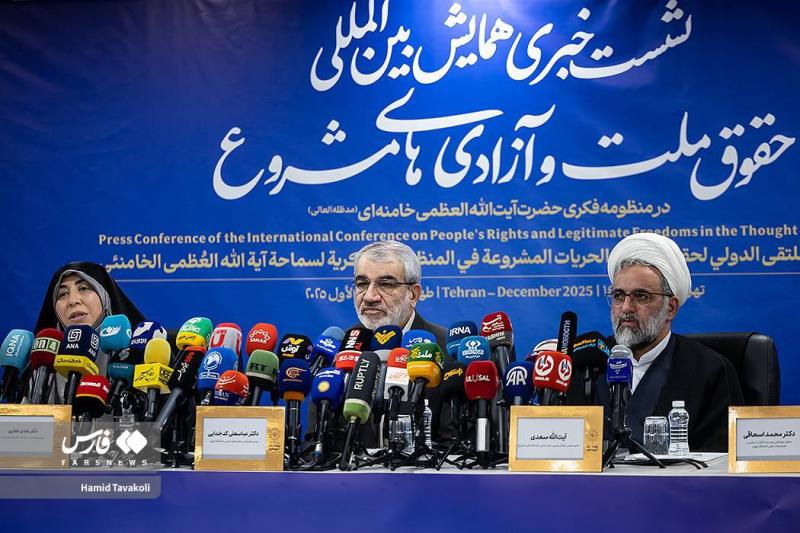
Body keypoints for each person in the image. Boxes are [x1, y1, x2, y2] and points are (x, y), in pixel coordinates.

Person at [600, 233, 743, 452]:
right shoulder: (589, 364)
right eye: (619, 295)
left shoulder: (710, 370)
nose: (626, 308)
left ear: (671, 308)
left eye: (641, 296)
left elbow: (722, 457)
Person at [30, 261, 146, 402]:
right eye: (62, 294)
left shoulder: (139, 360)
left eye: (83, 288)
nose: (72, 301)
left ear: (105, 298)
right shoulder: (41, 369)